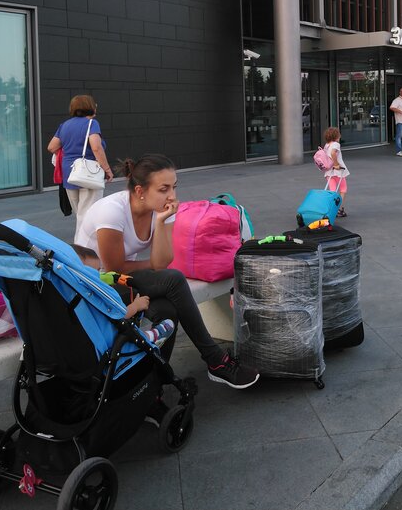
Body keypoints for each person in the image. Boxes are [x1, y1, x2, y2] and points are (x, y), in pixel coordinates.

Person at [75, 154, 259, 389]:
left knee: (167, 310)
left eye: (173, 187)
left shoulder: (159, 210)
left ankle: (153, 384)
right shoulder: (111, 212)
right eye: (163, 189)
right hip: (96, 283)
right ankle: (215, 360)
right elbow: (114, 268)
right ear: (140, 191)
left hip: (123, 281)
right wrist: (152, 265)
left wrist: (161, 222)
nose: (172, 196)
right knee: (173, 279)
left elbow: (161, 261)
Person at [47, 94, 113, 242]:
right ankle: (84, 252)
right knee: (89, 216)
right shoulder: (92, 124)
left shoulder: (64, 125)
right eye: (94, 104)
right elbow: (96, 147)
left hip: (69, 174)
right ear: (89, 106)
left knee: (81, 215)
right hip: (88, 174)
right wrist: (107, 169)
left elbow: (52, 147)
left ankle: (81, 250)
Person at [322, 127, 349, 218]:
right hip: (338, 171)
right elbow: (333, 153)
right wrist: (336, 164)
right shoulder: (336, 145)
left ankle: (330, 208)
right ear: (336, 136)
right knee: (343, 189)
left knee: (332, 190)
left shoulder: (326, 145)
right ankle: (338, 209)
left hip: (329, 171)